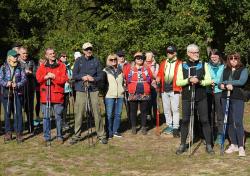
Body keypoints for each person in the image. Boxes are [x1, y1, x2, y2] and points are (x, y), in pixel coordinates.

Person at [175, 44, 214, 155]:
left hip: (201, 96)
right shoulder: (181, 65)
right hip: (187, 97)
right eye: (194, 52)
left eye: (197, 52)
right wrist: (188, 80)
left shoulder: (204, 64)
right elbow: (178, 82)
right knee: (186, 121)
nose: (196, 54)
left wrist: (200, 81)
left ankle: (209, 145)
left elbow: (209, 80)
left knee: (205, 120)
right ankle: (183, 144)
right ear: (188, 53)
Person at [70, 42, 107, 144]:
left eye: (90, 49)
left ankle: (101, 135)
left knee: (97, 113)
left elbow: (101, 76)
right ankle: (76, 135)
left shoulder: (96, 61)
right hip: (81, 90)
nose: (89, 51)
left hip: (93, 90)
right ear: (83, 51)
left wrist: (93, 78)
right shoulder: (78, 61)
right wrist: (82, 77)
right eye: (87, 49)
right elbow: (74, 75)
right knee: (79, 114)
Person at [36, 48, 68, 146]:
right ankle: (47, 137)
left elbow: (64, 79)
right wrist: (45, 77)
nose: (52, 55)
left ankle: (59, 136)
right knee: (46, 117)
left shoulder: (61, 66)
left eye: (53, 53)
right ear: (46, 56)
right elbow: (38, 78)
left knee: (58, 117)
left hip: (58, 95)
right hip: (46, 96)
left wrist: (54, 77)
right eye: (50, 54)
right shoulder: (42, 66)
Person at [219, 53, 248, 157]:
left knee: (238, 121)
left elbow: (241, 81)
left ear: (239, 59)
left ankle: (241, 146)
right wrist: (222, 85)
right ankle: (234, 144)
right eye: (231, 58)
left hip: (238, 97)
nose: (233, 60)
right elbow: (219, 82)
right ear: (228, 60)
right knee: (229, 121)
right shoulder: (225, 69)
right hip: (225, 97)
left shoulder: (243, 69)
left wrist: (227, 83)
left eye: (235, 58)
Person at [123, 51, 153, 135]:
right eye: (137, 58)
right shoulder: (129, 67)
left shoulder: (146, 68)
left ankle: (143, 127)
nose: (139, 59)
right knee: (133, 110)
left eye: (141, 58)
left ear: (143, 59)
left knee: (144, 110)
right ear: (135, 59)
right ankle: (133, 127)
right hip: (133, 92)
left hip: (144, 92)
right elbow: (124, 76)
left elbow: (151, 77)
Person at [0, 49, 26, 143]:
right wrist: (6, 83)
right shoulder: (3, 68)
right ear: (9, 57)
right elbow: (0, 79)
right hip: (6, 93)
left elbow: (24, 79)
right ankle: (8, 133)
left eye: (16, 56)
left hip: (17, 93)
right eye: (14, 56)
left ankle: (19, 133)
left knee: (18, 113)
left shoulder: (20, 67)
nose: (16, 58)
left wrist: (17, 84)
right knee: (7, 113)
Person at [156, 46, 182, 137]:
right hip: (164, 89)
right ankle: (169, 125)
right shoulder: (164, 62)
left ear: (175, 53)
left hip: (175, 89)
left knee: (175, 109)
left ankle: (175, 127)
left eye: (170, 52)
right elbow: (159, 73)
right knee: (166, 109)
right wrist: (158, 78)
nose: (168, 54)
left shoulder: (180, 63)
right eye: (167, 52)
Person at [103, 54, 124, 139]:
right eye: (111, 59)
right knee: (109, 114)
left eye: (115, 59)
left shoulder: (120, 70)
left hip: (120, 95)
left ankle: (116, 131)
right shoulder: (105, 70)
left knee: (118, 114)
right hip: (109, 95)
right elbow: (103, 84)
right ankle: (109, 132)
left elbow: (122, 82)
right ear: (108, 60)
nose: (113, 61)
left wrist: (123, 89)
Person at [207, 49, 224, 144]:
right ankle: (209, 134)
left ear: (219, 56)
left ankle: (220, 134)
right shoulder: (207, 66)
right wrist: (210, 81)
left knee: (219, 114)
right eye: (212, 56)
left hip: (219, 92)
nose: (213, 58)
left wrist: (215, 81)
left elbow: (223, 78)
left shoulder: (224, 66)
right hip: (209, 91)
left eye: (215, 56)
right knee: (209, 113)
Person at [18, 46, 36, 133]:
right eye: (23, 53)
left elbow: (36, 73)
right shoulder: (16, 63)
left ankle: (30, 127)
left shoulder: (31, 62)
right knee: (19, 109)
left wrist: (31, 73)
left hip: (30, 88)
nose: (25, 55)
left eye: (26, 53)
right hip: (20, 89)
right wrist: (23, 72)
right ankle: (20, 128)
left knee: (29, 109)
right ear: (19, 54)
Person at [59, 53, 72, 130]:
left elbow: (70, 74)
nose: (65, 57)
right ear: (60, 57)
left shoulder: (68, 65)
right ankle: (59, 121)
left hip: (67, 89)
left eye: (66, 56)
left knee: (65, 106)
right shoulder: (58, 64)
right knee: (60, 106)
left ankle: (64, 121)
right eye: (63, 56)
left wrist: (71, 79)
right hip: (60, 88)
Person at [144, 52, 159, 121]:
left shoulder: (156, 65)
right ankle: (148, 116)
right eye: (147, 56)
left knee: (154, 102)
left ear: (153, 56)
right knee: (146, 102)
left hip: (154, 86)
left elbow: (156, 75)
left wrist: (150, 76)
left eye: (150, 56)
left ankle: (155, 117)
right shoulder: (142, 65)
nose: (149, 57)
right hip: (145, 86)